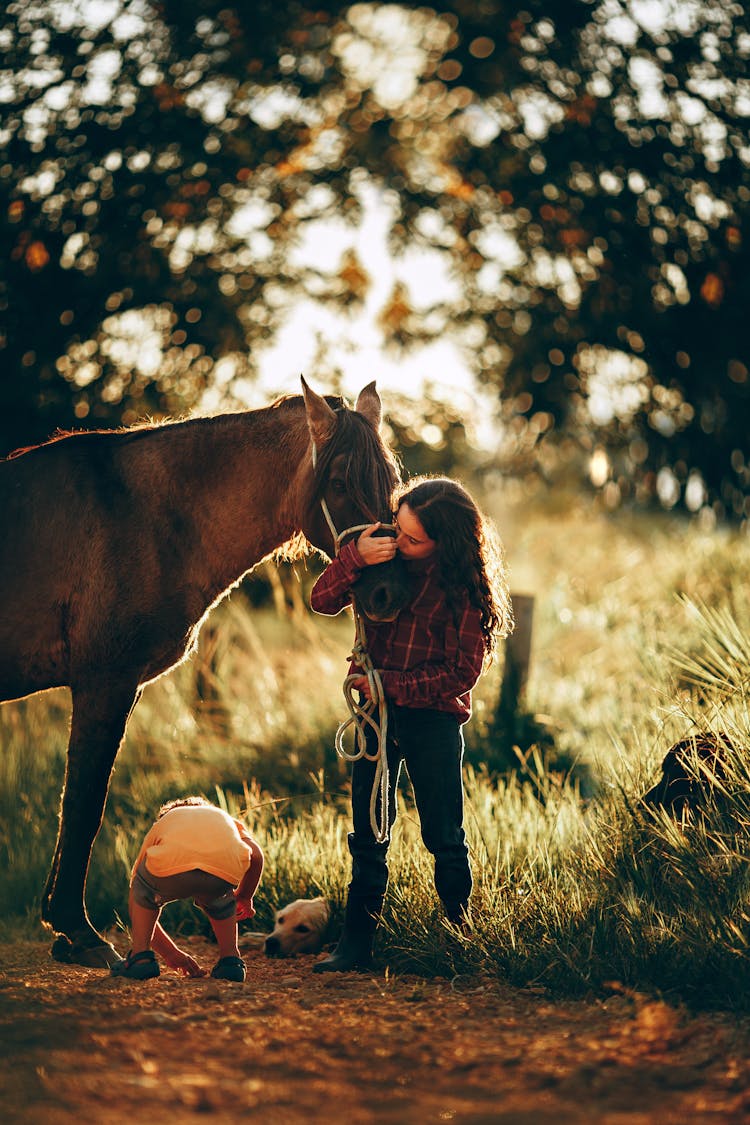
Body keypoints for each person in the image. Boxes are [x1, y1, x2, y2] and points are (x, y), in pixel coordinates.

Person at [310, 476, 513, 972]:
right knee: (369, 832)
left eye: (412, 539)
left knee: (444, 835)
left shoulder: (463, 590)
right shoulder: (384, 559)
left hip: (434, 724)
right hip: (376, 719)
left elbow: (461, 673)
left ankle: (459, 942)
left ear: (444, 543)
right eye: (397, 528)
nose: (400, 543)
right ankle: (356, 945)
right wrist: (355, 557)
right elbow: (321, 599)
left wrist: (390, 685)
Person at [111, 796, 264, 982]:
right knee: (221, 900)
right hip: (220, 872)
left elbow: (137, 903)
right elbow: (255, 855)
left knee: (143, 893)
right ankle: (231, 962)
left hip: (169, 865)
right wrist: (244, 896)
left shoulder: (165, 821)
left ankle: (140, 958)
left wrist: (170, 954)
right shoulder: (225, 818)